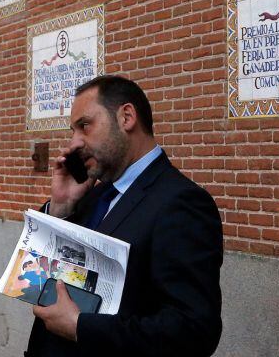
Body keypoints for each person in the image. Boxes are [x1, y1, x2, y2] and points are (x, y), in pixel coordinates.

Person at [26, 75, 223, 357]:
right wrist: (61, 208)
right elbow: (36, 279)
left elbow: (193, 331)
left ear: (126, 117)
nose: (74, 142)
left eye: (84, 126)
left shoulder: (181, 203)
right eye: (73, 131)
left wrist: (81, 327)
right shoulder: (91, 195)